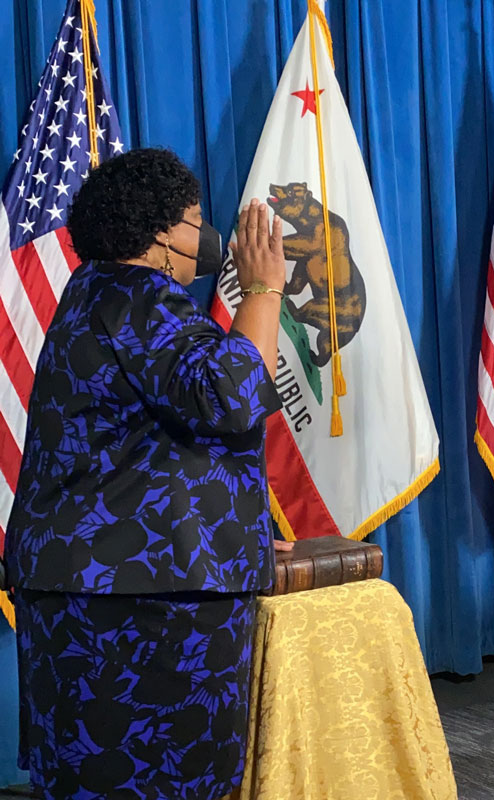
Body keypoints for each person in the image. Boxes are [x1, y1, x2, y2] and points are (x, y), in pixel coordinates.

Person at [3, 147, 292, 800]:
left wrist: (231, 531)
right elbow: (234, 397)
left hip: (89, 593)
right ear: (163, 233)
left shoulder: (93, 295)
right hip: (142, 612)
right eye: (195, 218)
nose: (207, 235)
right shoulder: (141, 300)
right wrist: (264, 288)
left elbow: (144, 449)